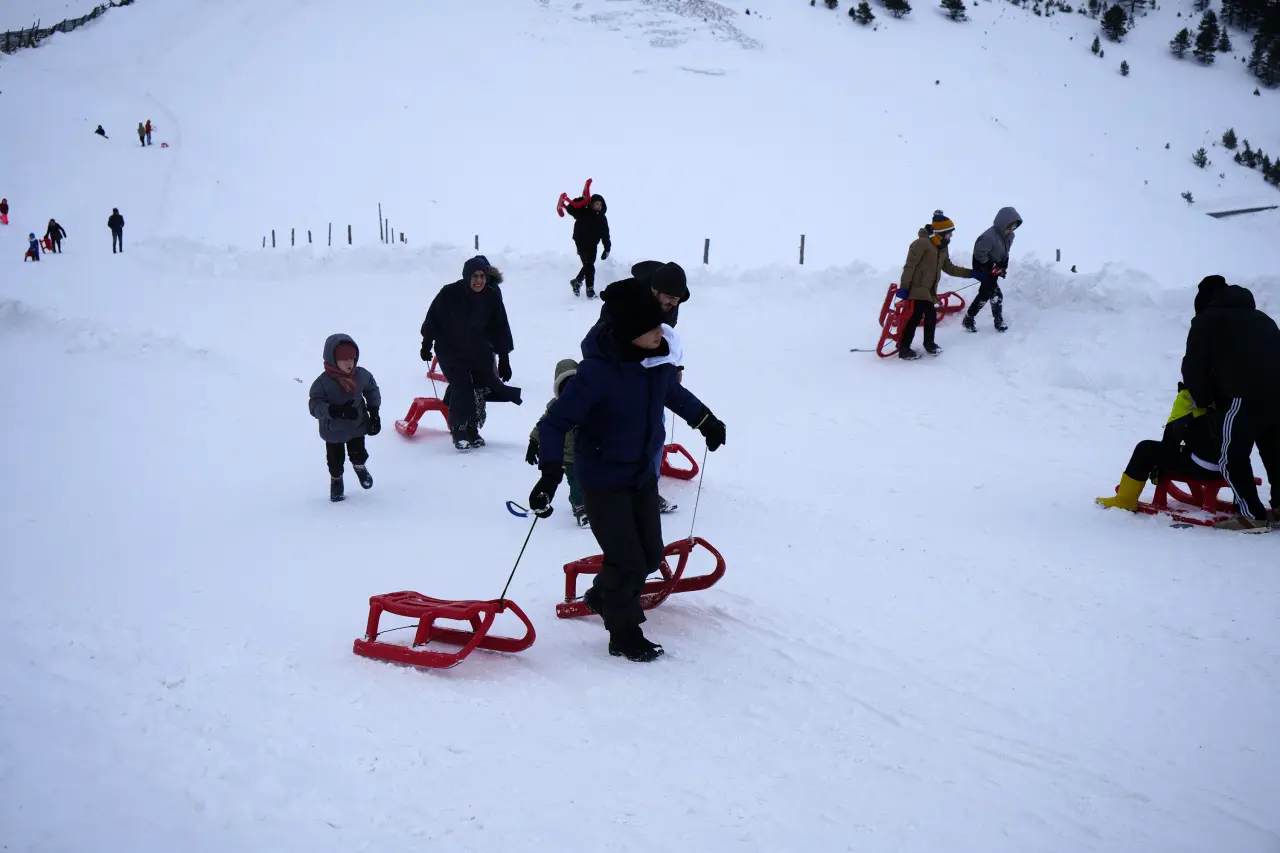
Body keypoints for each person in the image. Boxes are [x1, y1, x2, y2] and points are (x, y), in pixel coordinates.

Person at [531, 286, 727, 662]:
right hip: (603, 480)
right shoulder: (597, 374)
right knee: (627, 560)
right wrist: (550, 473)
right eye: (651, 326)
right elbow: (555, 423)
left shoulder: (656, 362)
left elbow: (675, 395)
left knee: (650, 555)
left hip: (641, 475)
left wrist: (706, 421)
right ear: (629, 331)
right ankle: (623, 633)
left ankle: (602, 595)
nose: (661, 331)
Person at [1181, 275, 1280, 531]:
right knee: (1275, 452)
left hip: (1241, 396)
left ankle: (1252, 516)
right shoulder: (1263, 319)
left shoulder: (1206, 321)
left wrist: (1205, 400)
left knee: (1231, 456)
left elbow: (1194, 367)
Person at [599, 261, 692, 513]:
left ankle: (648, 489)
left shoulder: (670, 304)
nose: (673, 304)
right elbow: (602, 340)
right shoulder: (627, 301)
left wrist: (676, 367)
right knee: (621, 431)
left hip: (653, 374)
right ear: (654, 290)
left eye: (677, 300)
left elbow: (668, 337)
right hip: (621, 374)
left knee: (655, 427)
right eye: (669, 298)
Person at [419, 255, 522, 450]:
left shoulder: (491, 295)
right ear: (467, 276)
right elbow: (433, 319)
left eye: (482, 276)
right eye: (474, 276)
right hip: (450, 348)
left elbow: (500, 327)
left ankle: (472, 428)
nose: (478, 281)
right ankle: (458, 430)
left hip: (478, 348)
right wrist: (426, 345)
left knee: (480, 386)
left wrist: (504, 358)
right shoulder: (449, 293)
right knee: (462, 385)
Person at [1096, 384, 1223, 511]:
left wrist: (1157, 466)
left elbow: (1170, 442)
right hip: (1229, 470)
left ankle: (1125, 500)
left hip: (1206, 469)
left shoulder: (1187, 400)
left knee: (1144, 449)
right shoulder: (1226, 397)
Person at [308, 334, 381, 502]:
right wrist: (334, 411)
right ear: (332, 359)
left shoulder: (361, 375)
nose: (349, 363)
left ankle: (359, 466)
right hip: (333, 430)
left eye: (352, 358)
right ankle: (336, 480)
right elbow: (314, 405)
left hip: (357, 426)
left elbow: (372, 390)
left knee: (359, 453)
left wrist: (374, 413)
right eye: (343, 359)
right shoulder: (322, 383)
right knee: (335, 460)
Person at [896, 210, 974, 360]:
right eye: (949, 233)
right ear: (941, 232)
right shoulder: (922, 243)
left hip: (929, 290)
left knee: (916, 317)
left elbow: (950, 268)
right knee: (928, 314)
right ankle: (922, 345)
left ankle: (909, 347)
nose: (951, 236)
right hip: (917, 287)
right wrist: (904, 287)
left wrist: (971, 273)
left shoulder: (942, 248)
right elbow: (910, 266)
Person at [526, 359, 589, 526]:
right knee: (576, 483)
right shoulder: (556, 406)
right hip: (567, 456)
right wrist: (534, 441)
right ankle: (580, 508)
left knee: (589, 481)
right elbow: (544, 425)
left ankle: (593, 503)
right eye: (564, 385)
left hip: (588, 453)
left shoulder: (588, 402)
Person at [964, 207, 1022, 333]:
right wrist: (992, 267)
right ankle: (997, 320)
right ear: (1003, 223)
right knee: (995, 294)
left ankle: (969, 318)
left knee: (986, 293)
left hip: (994, 268)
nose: (1012, 229)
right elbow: (980, 255)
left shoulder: (1010, 236)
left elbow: (1005, 253)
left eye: (1015, 226)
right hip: (982, 267)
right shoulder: (988, 237)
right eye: (1010, 226)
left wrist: (1003, 267)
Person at [565, 194, 611, 298]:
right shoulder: (583, 212)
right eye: (596, 203)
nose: (598, 206)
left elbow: (605, 234)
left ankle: (577, 282)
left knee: (588, 265)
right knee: (589, 266)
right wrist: (581, 200)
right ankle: (590, 290)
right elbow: (570, 208)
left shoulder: (602, 218)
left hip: (593, 244)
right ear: (591, 203)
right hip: (581, 242)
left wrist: (607, 248)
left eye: (600, 204)